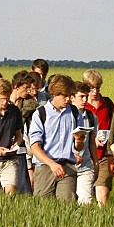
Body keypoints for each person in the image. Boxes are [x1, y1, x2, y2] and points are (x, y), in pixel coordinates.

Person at [29, 74, 81, 202]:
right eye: (65, 96)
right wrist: (52, 164)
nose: (69, 99)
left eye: (71, 95)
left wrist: (80, 141)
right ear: (55, 94)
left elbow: (79, 147)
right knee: (43, 208)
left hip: (67, 167)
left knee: (67, 207)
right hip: (45, 167)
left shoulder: (74, 113)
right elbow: (35, 147)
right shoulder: (41, 114)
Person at [83, 69, 114, 206]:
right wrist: (91, 139)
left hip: (104, 155)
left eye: (97, 88)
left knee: (103, 195)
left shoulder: (107, 104)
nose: (95, 92)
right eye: (91, 88)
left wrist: (113, 156)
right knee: (85, 197)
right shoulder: (81, 106)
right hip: (85, 155)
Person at [68, 82, 99, 204]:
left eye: (87, 96)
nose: (85, 100)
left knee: (86, 202)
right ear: (72, 97)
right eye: (81, 96)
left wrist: (95, 163)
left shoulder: (92, 117)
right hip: (68, 165)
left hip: (85, 165)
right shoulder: (66, 115)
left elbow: (92, 142)